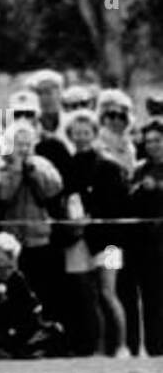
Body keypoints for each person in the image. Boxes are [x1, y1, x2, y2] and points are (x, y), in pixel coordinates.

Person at [60, 110, 130, 356]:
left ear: (94, 133)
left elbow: (119, 202)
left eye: (86, 132)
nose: (81, 137)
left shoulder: (109, 166)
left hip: (110, 243)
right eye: (76, 133)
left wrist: (93, 214)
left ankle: (121, 346)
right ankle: (98, 348)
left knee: (109, 293)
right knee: (88, 297)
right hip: (79, 239)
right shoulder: (69, 166)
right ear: (70, 135)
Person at [0, 121, 64, 329]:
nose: (23, 149)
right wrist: (15, 170)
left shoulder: (42, 164)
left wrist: (32, 170)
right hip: (11, 242)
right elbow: (2, 194)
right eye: (18, 144)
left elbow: (53, 190)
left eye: (27, 144)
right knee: (13, 291)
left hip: (39, 239)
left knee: (43, 290)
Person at [126, 118, 163, 355]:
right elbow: (129, 201)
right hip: (145, 246)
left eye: (157, 140)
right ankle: (153, 348)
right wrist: (141, 189)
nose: (152, 145)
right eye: (148, 141)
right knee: (150, 299)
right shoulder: (140, 169)